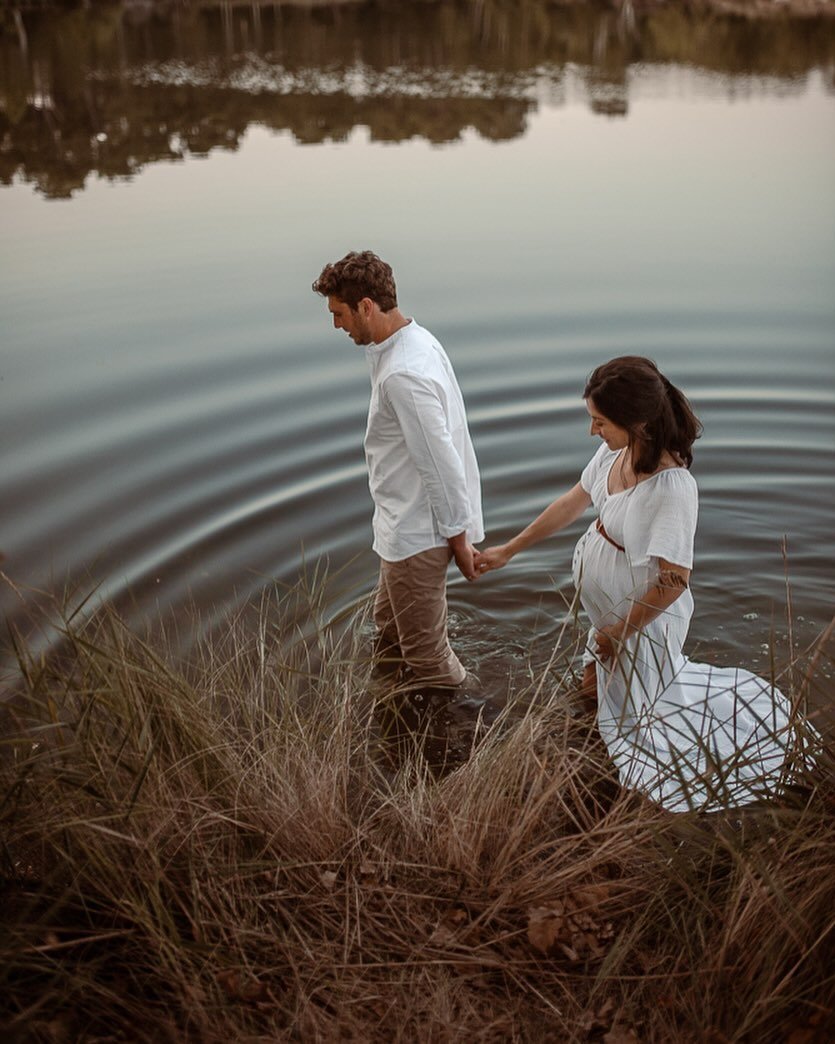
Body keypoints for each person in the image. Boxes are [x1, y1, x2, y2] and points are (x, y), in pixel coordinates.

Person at [475, 356, 809, 812]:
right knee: (600, 698)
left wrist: (616, 631)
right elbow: (574, 501)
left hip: (642, 620)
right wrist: (509, 550)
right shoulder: (616, 451)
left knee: (639, 732)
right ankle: (587, 716)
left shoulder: (672, 489)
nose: (593, 431)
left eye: (599, 422)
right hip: (612, 617)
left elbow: (673, 580)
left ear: (638, 423)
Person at [312, 250, 483, 690]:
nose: (336, 325)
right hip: (401, 528)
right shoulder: (413, 340)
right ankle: (395, 714)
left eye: (339, 313)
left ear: (366, 305)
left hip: (417, 536)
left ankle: (486, 731)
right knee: (387, 633)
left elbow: (441, 464)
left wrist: (458, 540)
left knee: (429, 662)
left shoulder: (403, 374)